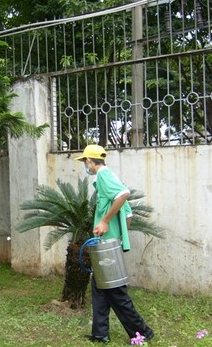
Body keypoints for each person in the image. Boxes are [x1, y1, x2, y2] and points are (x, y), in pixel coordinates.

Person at [75, 145, 154, 345]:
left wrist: (105, 222)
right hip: (107, 244)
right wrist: (119, 235)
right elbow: (128, 213)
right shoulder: (108, 178)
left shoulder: (103, 176)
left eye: (85, 161)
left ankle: (142, 332)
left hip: (107, 245)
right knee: (99, 287)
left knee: (116, 292)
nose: (85, 165)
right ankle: (100, 334)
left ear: (90, 161)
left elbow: (123, 194)